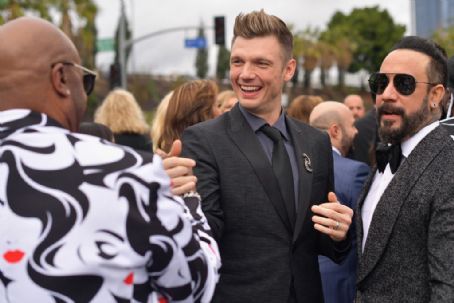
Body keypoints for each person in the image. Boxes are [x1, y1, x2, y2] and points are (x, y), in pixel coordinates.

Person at [0, 17, 220, 302]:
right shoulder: (130, 175)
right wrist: (185, 201)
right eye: (87, 81)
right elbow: (195, 286)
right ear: (61, 79)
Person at [182, 10, 353, 303]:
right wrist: (180, 201)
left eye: (261, 63)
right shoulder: (202, 141)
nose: (245, 74)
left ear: (288, 70)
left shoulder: (316, 143)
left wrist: (340, 233)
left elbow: (314, 237)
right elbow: (205, 235)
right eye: (238, 61)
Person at [357, 36, 454, 301]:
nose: (387, 94)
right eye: (380, 83)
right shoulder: (388, 155)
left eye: (404, 83)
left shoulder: (448, 167)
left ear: (436, 95)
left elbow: (448, 287)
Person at [309, 101, 370, 303]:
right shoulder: (356, 172)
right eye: (352, 125)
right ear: (335, 130)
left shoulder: (291, 165)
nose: (356, 132)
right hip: (337, 286)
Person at [156, 79, 219, 152]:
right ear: (203, 113)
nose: (222, 112)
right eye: (217, 105)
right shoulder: (206, 156)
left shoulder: (161, 158)